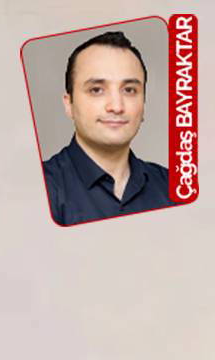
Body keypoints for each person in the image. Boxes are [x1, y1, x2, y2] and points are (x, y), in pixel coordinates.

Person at [42, 30, 175, 225]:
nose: (117, 106)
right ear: (69, 104)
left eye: (129, 90)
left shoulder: (173, 187)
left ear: (143, 104)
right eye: (97, 90)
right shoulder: (40, 189)